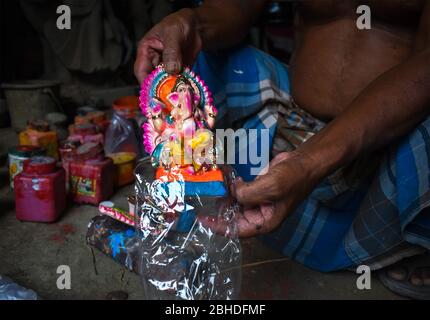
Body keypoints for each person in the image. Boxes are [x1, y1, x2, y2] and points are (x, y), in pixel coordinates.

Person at [134, 0, 430, 299]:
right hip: (291, 122)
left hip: (389, 142)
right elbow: (237, 7)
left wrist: (309, 164)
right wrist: (195, 24)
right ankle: (200, 191)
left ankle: (402, 237)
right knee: (200, 66)